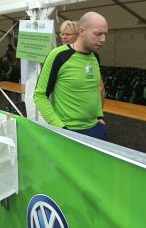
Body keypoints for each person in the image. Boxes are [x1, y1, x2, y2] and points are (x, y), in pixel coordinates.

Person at [34, 11, 108, 140]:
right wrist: (60, 128)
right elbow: (40, 95)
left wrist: (100, 117)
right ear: (82, 31)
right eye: (98, 34)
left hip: (96, 129)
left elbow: (97, 89)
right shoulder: (58, 55)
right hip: (68, 131)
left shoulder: (95, 56)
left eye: (105, 34)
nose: (103, 39)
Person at [59, 19, 106, 106]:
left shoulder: (93, 55)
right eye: (62, 34)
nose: (63, 37)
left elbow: (100, 88)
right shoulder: (58, 55)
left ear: (78, 35)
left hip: (87, 109)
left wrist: (99, 114)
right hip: (65, 110)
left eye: (68, 34)